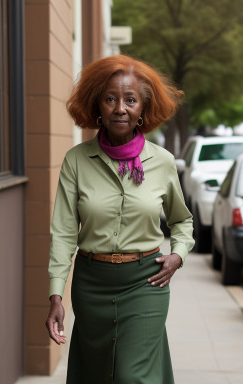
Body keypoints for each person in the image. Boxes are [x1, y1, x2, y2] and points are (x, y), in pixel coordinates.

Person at [45, 55, 194, 384]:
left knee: (132, 376)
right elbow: (64, 232)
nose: (120, 108)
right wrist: (56, 294)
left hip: (146, 282)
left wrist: (177, 256)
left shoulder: (163, 162)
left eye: (130, 100)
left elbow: (182, 222)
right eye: (110, 99)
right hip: (91, 283)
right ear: (97, 105)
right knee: (98, 374)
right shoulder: (77, 161)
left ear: (143, 108)